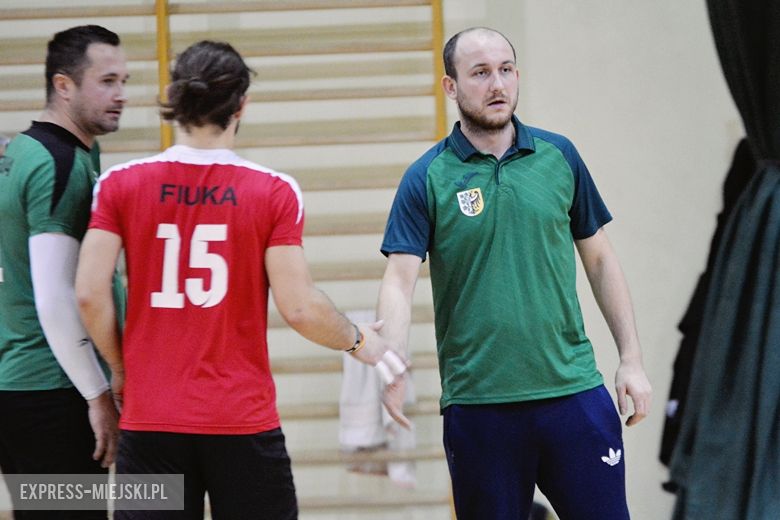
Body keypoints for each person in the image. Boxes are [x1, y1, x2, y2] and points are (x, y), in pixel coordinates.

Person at [75, 40, 407, 520]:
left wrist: (120, 368)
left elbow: (89, 294)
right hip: (241, 424)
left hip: (152, 424)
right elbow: (300, 308)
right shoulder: (272, 191)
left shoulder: (120, 183)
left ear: (175, 98)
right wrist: (362, 343)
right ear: (242, 105)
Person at [377, 27, 652, 519]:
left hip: (573, 394)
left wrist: (631, 358)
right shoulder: (427, 176)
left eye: (505, 70)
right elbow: (399, 279)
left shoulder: (559, 156)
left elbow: (601, 259)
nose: (497, 84)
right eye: (480, 73)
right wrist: (391, 361)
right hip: (480, 406)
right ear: (451, 87)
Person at [0, 25, 128, 518]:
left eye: (124, 81)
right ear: (64, 85)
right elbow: (55, 295)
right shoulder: (59, 164)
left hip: (27, 390)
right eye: (107, 81)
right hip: (52, 393)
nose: (121, 96)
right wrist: (98, 394)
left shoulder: (27, 151)